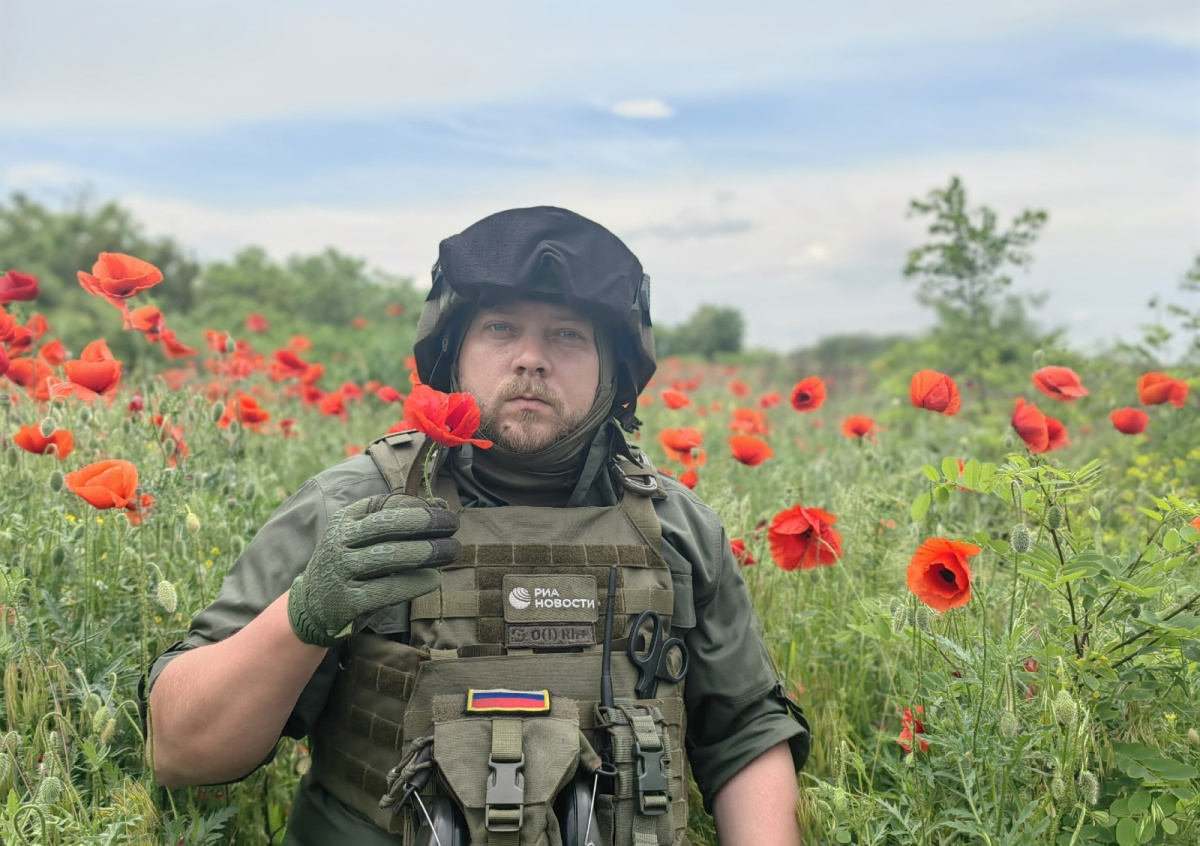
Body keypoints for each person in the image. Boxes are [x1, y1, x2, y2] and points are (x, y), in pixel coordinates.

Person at [146, 207, 809, 845]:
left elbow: (745, 738)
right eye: (500, 328)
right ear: (454, 352)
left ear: (613, 369)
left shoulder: (676, 529)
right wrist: (305, 615)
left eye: (568, 334)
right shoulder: (351, 507)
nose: (530, 359)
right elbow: (180, 750)